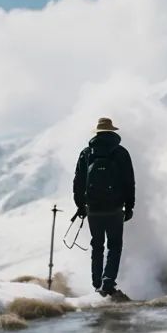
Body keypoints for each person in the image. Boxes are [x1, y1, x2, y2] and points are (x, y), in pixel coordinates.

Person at [72, 117, 136, 298]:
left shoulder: (86, 153)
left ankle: (96, 284)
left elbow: (78, 181)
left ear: (97, 133)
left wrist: (81, 205)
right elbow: (129, 181)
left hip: (93, 208)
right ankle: (108, 281)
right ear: (112, 132)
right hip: (115, 208)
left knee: (97, 245)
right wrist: (129, 206)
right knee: (114, 245)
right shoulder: (121, 152)